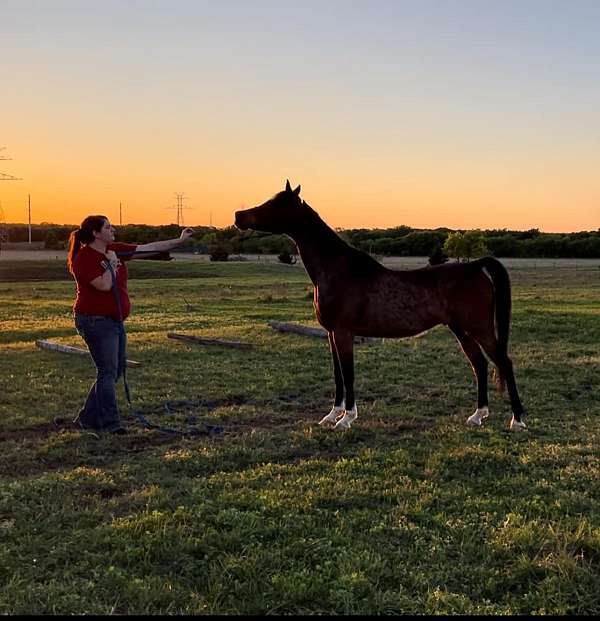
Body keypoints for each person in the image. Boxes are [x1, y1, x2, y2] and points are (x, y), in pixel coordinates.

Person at [67, 215, 194, 434]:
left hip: (114, 320)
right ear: (96, 233)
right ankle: (109, 424)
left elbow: (149, 248)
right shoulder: (84, 259)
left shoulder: (114, 248)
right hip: (94, 321)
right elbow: (105, 285)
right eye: (108, 227)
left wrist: (179, 240)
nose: (113, 229)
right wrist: (113, 262)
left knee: (113, 372)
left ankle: (87, 418)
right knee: (107, 371)